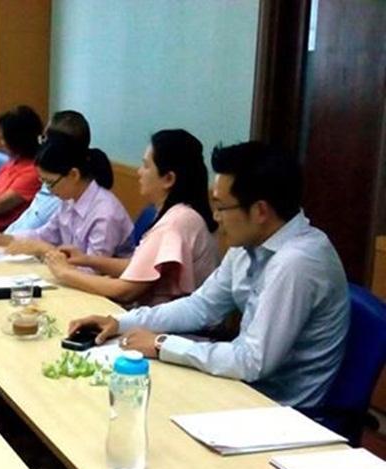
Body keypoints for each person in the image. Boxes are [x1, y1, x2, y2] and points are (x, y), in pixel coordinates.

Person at [68, 141, 349, 409]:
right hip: (243, 389)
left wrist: (162, 344)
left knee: (143, 404)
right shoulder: (250, 244)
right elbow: (201, 306)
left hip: (280, 410)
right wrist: (120, 322)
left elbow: (252, 361)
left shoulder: (296, 262)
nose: (216, 217)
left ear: (260, 211)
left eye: (222, 207)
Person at [47, 129, 219, 306]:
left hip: (166, 322)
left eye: (146, 166)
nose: (139, 172)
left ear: (168, 179)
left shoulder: (176, 223)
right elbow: (138, 267)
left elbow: (125, 291)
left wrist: (65, 273)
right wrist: (86, 260)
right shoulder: (180, 214)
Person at [0, 131, 131, 260]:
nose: (49, 191)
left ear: (73, 175)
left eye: (50, 183)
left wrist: (43, 249)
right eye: (43, 182)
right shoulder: (69, 200)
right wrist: (3, 239)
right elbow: (44, 235)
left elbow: (93, 271)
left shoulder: (105, 214)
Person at [4, 109, 109, 234]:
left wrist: (10, 240)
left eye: (44, 139)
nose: (41, 145)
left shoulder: (65, 195)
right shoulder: (58, 183)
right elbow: (43, 233)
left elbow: (46, 237)